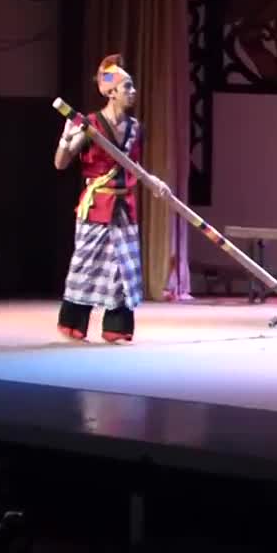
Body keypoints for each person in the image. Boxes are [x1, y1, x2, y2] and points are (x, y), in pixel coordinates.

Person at [55, 54, 169, 343]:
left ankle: (116, 326)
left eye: (132, 86)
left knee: (123, 267)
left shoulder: (135, 128)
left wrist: (153, 182)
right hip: (96, 206)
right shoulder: (90, 124)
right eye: (127, 86)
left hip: (123, 206)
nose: (133, 92)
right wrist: (67, 139)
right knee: (87, 263)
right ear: (111, 92)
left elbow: (135, 168)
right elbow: (61, 162)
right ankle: (73, 322)